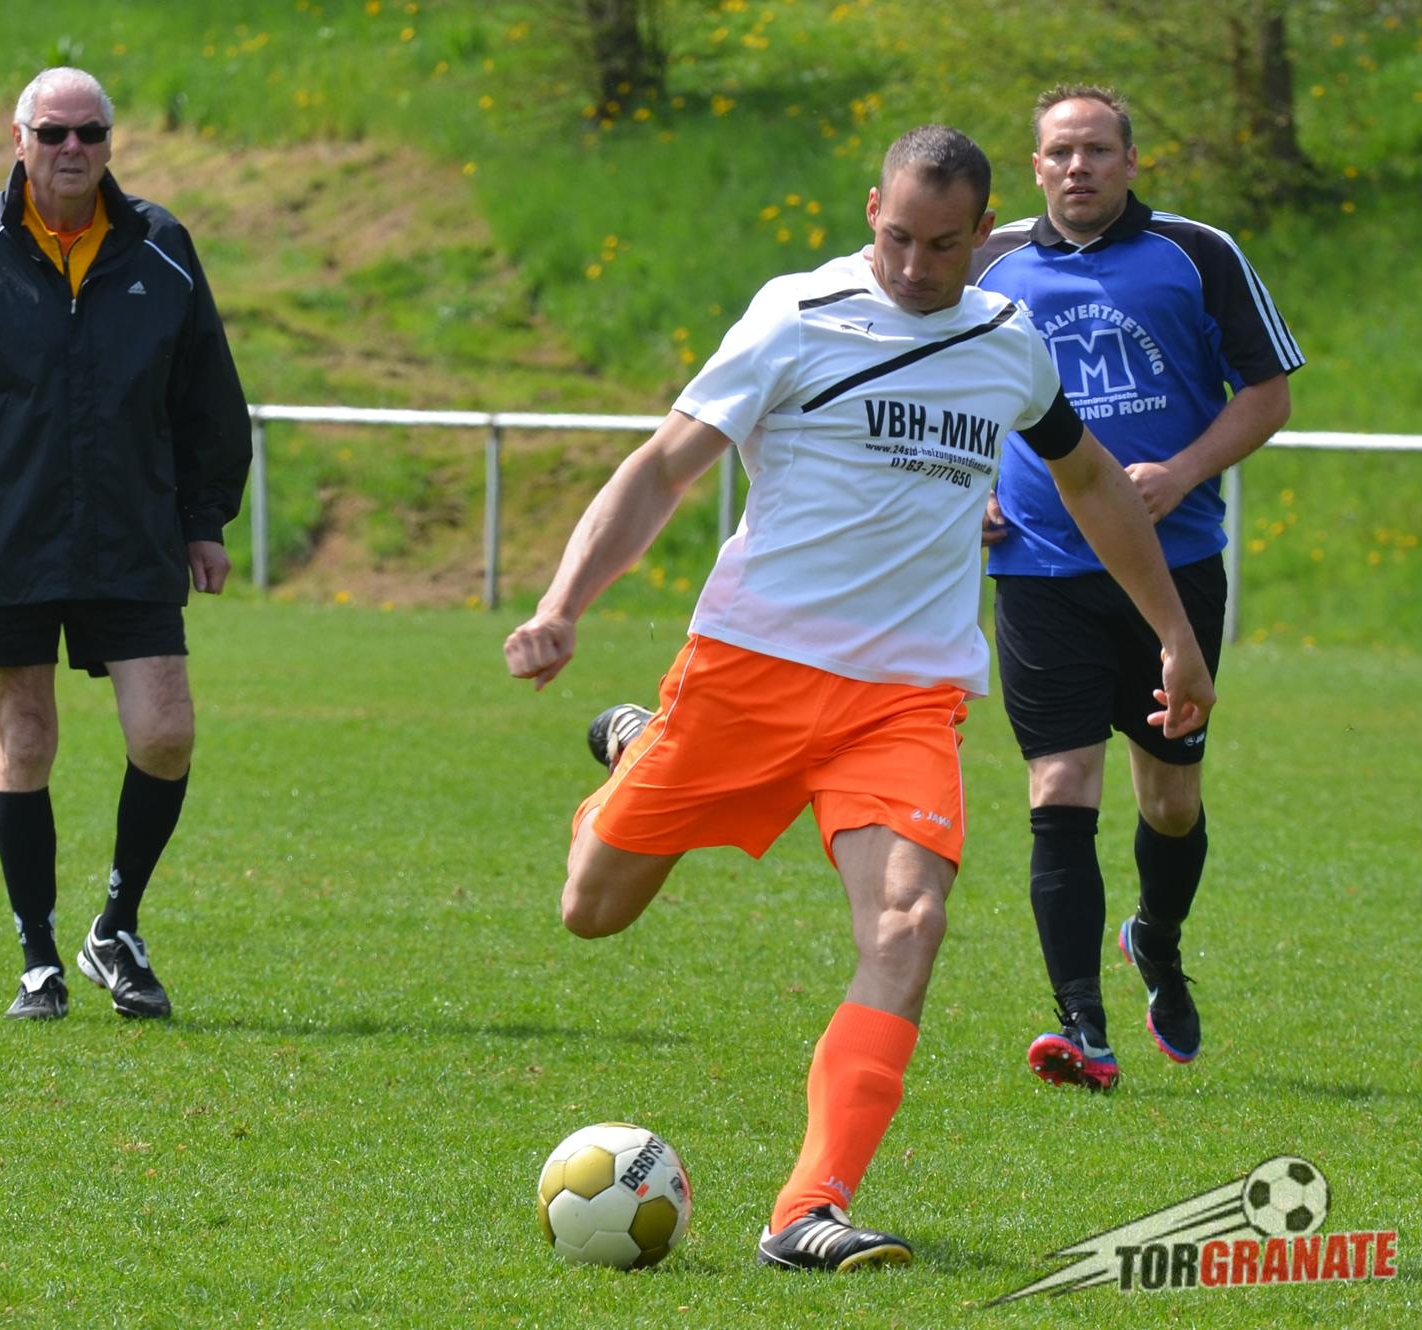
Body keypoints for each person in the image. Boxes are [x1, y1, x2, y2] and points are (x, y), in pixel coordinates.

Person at [505, 125, 1215, 1271]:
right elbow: (664, 466)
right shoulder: (795, 315)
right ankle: (642, 745)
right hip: (747, 672)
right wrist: (562, 604)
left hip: (904, 696)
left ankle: (807, 1207)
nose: (916, 267)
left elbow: (1089, 480)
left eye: (944, 246)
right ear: (870, 211)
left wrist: (1174, 635)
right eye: (898, 239)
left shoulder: (1006, 338)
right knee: (592, 908)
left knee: (908, 923)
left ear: (983, 233)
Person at [0, 67, 252, 1022]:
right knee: (26, 736)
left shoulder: (161, 247)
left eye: (90, 133)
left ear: (111, 143)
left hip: (131, 532)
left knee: (165, 733)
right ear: (19, 140)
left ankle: (114, 927)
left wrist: (204, 519)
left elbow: (206, 397)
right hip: (2, 534)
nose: (72, 149)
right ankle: (38, 958)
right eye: (53, 133)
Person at [972, 85, 1302, 1090]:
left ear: (1130, 161)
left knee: (1169, 802)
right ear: (1035, 165)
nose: (1078, 166)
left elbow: (1269, 395)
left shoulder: (1197, 254)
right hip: (1039, 571)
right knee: (1059, 786)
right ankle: (1082, 1026)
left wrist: (1185, 471)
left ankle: (1155, 935)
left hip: (1175, 568)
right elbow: (945, 387)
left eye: (1097, 150)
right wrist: (970, 488)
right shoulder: (987, 265)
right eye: (1059, 152)